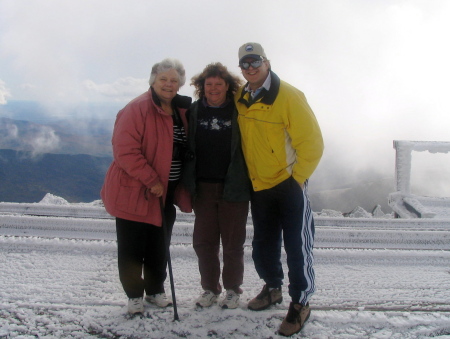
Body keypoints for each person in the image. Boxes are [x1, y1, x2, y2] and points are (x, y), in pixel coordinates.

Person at [234, 43, 324, 336]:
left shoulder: (289, 96)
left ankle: (301, 303)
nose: (250, 68)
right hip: (259, 186)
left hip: (288, 185)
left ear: (267, 62)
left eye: (255, 61)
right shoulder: (242, 97)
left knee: (297, 247)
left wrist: (297, 179)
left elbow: (312, 144)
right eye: (245, 64)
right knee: (263, 245)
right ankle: (272, 288)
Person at [100, 58, 192, 315]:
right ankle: (134, 296)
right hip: (137, 191)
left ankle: (154, 291)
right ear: (153, 80)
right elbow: (124, 151)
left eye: (174, 80)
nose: (169, 84)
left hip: (166, 194)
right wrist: (151, 180)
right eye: (164, 79)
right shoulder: (137, 108)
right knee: (131, 249)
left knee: (158, 246)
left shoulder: (179, 110)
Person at [183, 62, 251, 309]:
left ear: (228, 86)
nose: (213, 88)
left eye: (218, 84)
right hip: (203, 187)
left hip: (234, 187)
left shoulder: (239, 110)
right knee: (203, 242)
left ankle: (233, 289)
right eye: (208, 84)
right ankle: (210, 288)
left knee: (233, 242)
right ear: (202, 87)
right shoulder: (193, 111)